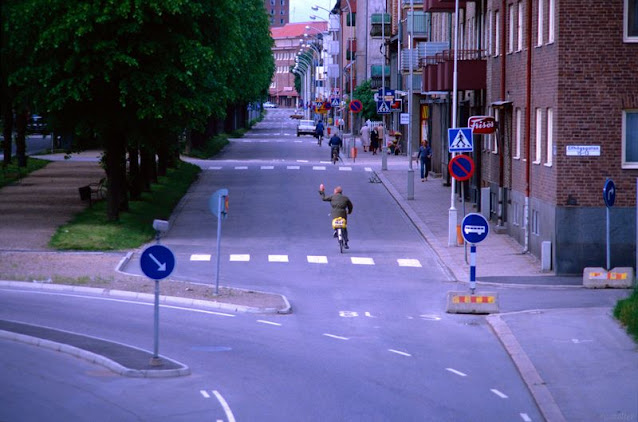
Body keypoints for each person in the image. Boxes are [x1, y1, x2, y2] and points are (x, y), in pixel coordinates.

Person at [318, 184, 353, 248]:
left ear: (336, 191)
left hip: (335, 214)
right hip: (343, 214)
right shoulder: (346, 198)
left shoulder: (332, 196)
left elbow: (324, 198)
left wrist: (322, 190)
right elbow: (350, 206)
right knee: (344, 227)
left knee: (335, 222)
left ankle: (336, 230)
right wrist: (349, 212)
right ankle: (346, 242)